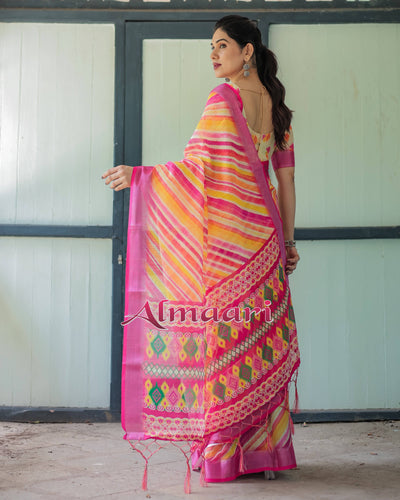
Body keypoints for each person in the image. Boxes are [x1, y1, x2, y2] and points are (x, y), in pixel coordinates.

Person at [102, 15, 300, 491]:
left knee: (226, 342)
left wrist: (141, 175)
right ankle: (265, 451)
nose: (213, 55)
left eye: (222, 45)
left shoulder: (223, 99)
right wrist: (289, 241)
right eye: (211, 47)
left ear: (247, 51)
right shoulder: (277, 108)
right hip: (266, 240)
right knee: (258, 339)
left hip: (230, 246)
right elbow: (287, 180)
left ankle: (224, 455)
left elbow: (198, 170)